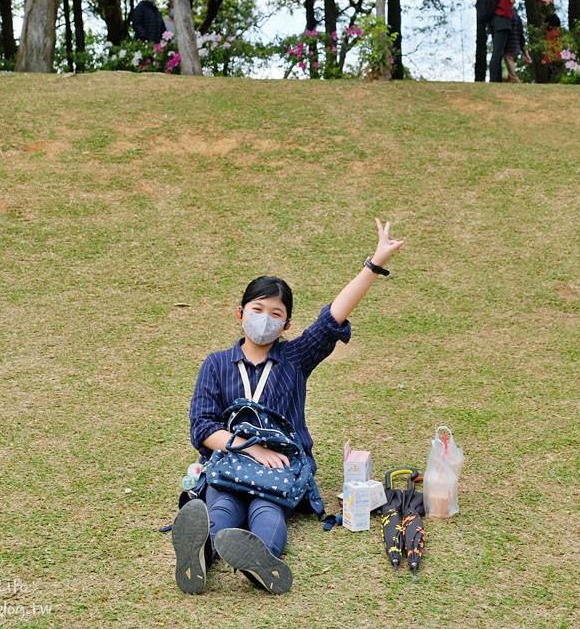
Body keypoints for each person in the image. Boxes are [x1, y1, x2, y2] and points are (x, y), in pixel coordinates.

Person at [170, 219, 405, 596]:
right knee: (222, 507)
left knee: (267, 510)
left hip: (280, 468)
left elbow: (333, 317)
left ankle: (261, 561)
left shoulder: (295, 357)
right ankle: (198, 552)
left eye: (275, 314)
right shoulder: (215, 364)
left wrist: (374, 264)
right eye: (258, 309)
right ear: (240, 313)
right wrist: (252, 449)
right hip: (230, 461)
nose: (265, 319)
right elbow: (201, 426)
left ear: (286, 324)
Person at [503, 0, 532, 83]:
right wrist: (526, 54)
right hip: (516, 49)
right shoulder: (517, 17)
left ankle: (521, 89)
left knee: (511, 75)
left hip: (508, 48)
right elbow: (522, 37)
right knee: (506, 74)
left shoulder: (505, 15)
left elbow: (521, 37)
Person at [542, 13, 564, 83]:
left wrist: (545, 59)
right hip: (560, 58)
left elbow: (549, 48)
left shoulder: (550, 34)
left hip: (552, 59)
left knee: (551, 77)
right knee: (558, 75)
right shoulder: (559, 33)